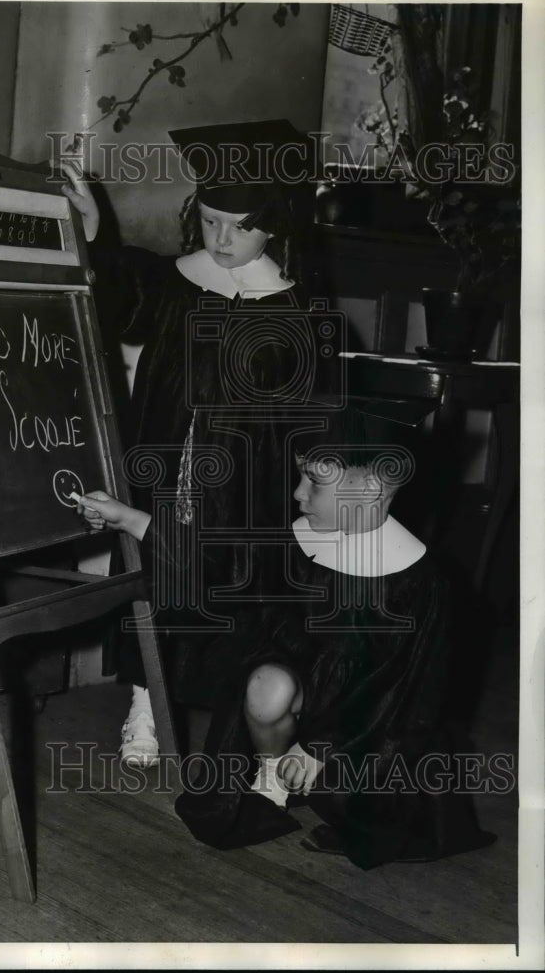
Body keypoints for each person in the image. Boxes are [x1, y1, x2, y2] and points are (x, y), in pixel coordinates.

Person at [60, 119, 335, 766]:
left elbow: (310, 414)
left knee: (232, 595)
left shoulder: (298, 309)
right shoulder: (172, 283)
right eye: (209, 221)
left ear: (274, 226)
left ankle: (240, 716)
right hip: (164, 468)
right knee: (154, 583)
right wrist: (95, 234)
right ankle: (142, 706)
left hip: (244, 488)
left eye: (238, 227)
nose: (220, 239)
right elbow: (118, 303)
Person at [172, 403, 497, 868]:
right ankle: (275, 778)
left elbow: (399, 692)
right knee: (266, 684)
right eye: (300, 477)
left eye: (315, 482)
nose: (298, 494)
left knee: (367, 794)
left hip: (376, 729)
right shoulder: (300, 543)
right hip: (312, 697)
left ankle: (338, 797)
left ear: (369, 486)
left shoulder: (418, 584)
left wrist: (321, 744)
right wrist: (131, 520)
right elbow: (216, 565)